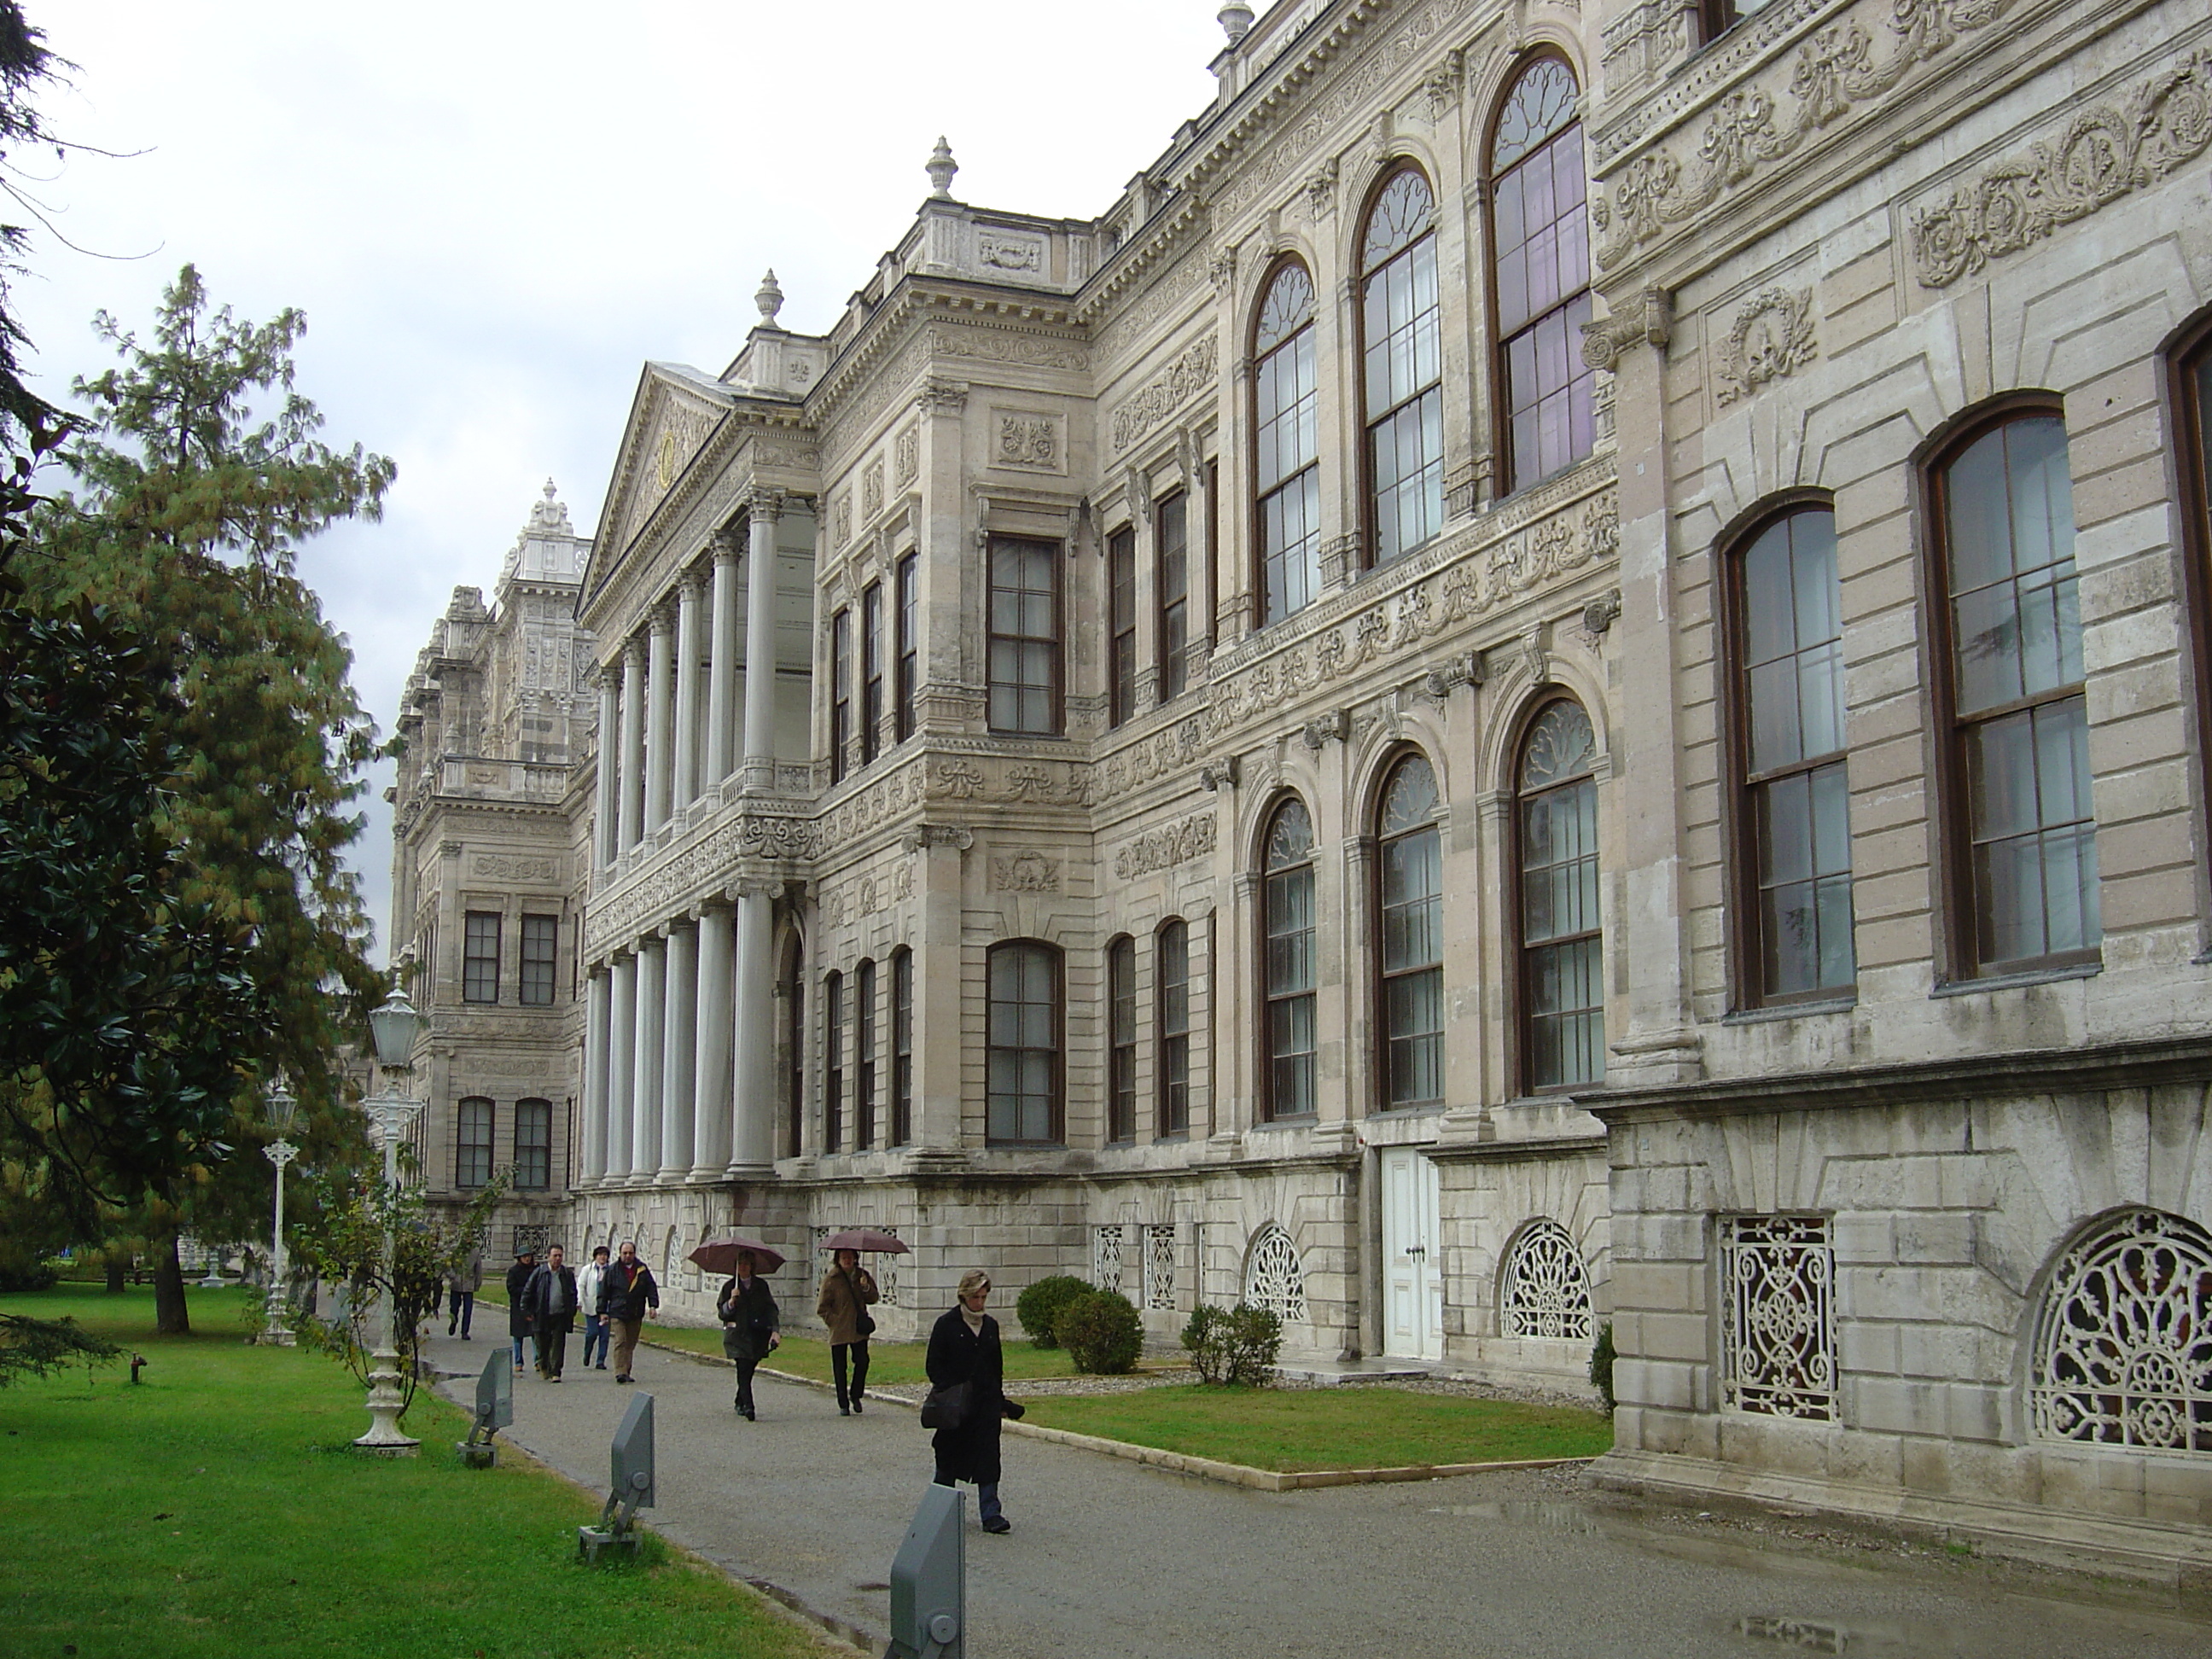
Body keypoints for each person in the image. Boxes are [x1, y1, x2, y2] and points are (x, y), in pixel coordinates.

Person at [925, 1270, 1023, 1534]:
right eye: (975, 1297)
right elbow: (934, 1366)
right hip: (956, 1407)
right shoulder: (947, 1325)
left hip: (985, 1405)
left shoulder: (990, 1326)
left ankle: (991, 1514)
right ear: (964, 1296)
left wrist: (1000, 1401)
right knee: (948, 1458)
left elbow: (996, 1367)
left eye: (983, 1297)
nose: (980, 1303)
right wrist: (952, 1391)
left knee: (989, 1459)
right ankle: (939, 1510)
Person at [717, 1249, 780, 1419]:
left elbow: (771, 1309)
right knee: (742, 1368)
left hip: (757, 1334)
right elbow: (722, 1313)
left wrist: (775, 1330)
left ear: (752, 1266)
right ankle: (749, 1406)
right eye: (740, 1264)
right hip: (737, 1335)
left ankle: (739, 1399)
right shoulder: (730, 1287)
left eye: (746, 1264)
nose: (742, 1267)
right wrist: (731, 1302)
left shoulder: (761, 1286)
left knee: (748, 1371)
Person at [816, 1248, 880, 1415]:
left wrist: (865, 1288)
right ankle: (843, 1402)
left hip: (858, 1328)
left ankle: (856, 1395)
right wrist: (834, 1322)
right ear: (838, 1259)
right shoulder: (832, 1278)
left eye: (850, 1257)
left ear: (855, 1258)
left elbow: (873, 1298)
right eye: (843, 1257)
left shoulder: (861, 1275)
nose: (847, 1260)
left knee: (862, 1361)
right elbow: (822, 1307)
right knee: (840, 1367)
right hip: (839, 1330)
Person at [597, 1239, 659, 1383]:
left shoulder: (642, 1270)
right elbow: (604, 1291)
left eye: (630, 1253)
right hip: (618, 1311)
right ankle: (620, 1372)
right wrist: (602, 1311)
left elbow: (651, 1288)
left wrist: (653, 1306)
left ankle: (626, 1371)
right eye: (625, 1253)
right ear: (620, 1254)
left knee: (630, 1343)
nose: (627, 1256)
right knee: (620, 1341)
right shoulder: (613, 1270)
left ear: (634, 1254)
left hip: (635, 1311)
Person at [521, 1244, 579, 1382]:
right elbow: (528, 1291)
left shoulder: (566, 1274)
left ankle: (556, 1372)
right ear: (549, 1257)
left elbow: (572, 1293)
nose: (557, 1259)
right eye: (555, 1256)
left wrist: (571, 1310)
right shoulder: (540, 1272)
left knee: (558, 1344)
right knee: (542, 1344)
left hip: (560, 1314)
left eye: (560, 1256)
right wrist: (526, 1310)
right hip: (542, 1314)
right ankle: (544, 1366)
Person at [577, 1244, 611, 1371]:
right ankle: (587, 1353)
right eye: (600, 1255)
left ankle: (600, 1360)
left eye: (605, 1255)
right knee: (592, 1333)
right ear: (595, 1256)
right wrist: (581, 1301)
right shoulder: (588, 1269)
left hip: (606, 1309)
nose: (603, 1257)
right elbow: (581, 1285)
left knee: (604, 1335)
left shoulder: (610, 1270)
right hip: (591, 1306)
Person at [504, 1247, 538, 1376]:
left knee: (536, 1334)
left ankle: (538, 1361)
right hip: (518, 1307)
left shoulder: (535, 1270)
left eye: (528, 1256)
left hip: (533, 1306)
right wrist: (526, 1291)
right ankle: (518, 1362)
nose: (527, 1259)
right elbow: (511, 1288)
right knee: (518, 1336)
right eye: (524, 1257)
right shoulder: (513, 1271)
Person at [447, 1249, 481, 1339]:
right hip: (456, 1284)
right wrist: (453, 1276)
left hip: (469, 1284)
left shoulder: (475, 1252)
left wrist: (477, 1284)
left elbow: (478, 1269)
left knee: (468, 1309)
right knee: (454, 1307)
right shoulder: (456, 1249)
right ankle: (453, 1322)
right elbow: (447, 1265)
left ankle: (465, 1331)